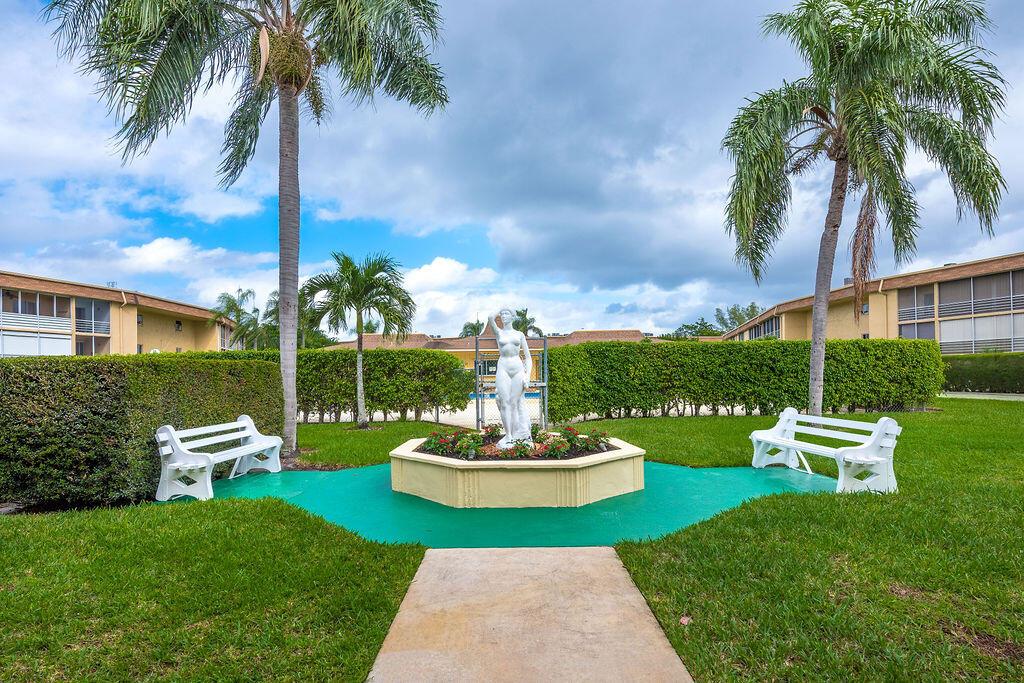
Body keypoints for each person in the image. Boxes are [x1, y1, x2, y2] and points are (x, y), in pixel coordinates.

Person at [488, 308, 532, 447]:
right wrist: (503, 307)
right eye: (502, 314)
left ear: (513, 316)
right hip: (503, 368)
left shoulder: (519, 334)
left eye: (506, 314)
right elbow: (490, 317)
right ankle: (508, 435)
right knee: (505, 403)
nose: (503, 316)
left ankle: (517, 434)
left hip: (518, 369)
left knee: (514, 403)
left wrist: (528, 376)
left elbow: (528, 358)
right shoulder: (499, 333)